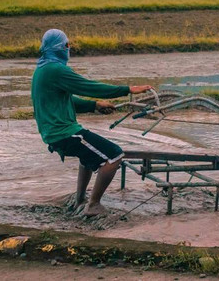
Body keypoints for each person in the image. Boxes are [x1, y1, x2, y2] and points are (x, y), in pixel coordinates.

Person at [31, 29, 153, 217]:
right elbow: (88, 86)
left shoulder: (42, 69)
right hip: (64, 133)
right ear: (61, 48)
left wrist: (94, 106)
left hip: (54, 132)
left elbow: (67, 100)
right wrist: (127, 89)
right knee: (114, 156)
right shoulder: (56, 70)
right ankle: (94, 204)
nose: (68, 49)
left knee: (88, 156)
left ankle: (80, 199)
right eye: (67, 46)